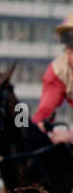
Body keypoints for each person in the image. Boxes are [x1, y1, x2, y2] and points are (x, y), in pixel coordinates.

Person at [33, 13, 73, 143]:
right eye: (68, 40)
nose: (70, 48)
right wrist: (38, 126)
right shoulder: (59, 69)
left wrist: (71, 136)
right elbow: (44, 111)